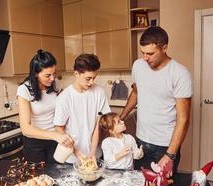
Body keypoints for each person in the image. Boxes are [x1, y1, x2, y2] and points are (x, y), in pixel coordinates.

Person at [120, 26, 192, 176]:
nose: (145, 58)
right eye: (143, 53)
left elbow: (183, 119)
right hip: (140, 141)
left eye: (150, 54)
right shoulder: (138, 66)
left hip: (165, 146)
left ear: (164, 48)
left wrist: (170, 155)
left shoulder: (180, 73)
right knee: (139, 185)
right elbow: (136, 92)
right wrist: (120, 117)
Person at [17, 49, 73, 163]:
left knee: (57, 175)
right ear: (36, 74)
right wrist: (54, 135)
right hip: (35, 144)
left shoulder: (56, 84)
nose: (52, 79)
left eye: (54, 74)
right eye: (47, 75)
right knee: (39, 179)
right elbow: (25, 129)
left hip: (56, 140)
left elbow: (64, 108)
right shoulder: (24, 90)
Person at [53, 53, 111, 163]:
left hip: (95, 155)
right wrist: (76, 152)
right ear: (76, 74)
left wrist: (93, 152)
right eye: (88, 78)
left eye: (94, 78)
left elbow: (99, 124)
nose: (91, 82)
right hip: (71, 158)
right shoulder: (64, 98)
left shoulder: (99, 92)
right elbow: (59, 129)